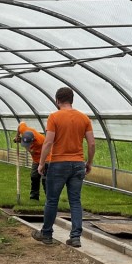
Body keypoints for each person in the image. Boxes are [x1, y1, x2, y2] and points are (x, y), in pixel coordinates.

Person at [33, 87, 95, 248]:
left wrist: (41, 163)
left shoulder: (54, 117)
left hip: (58, 164)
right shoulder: (84, 118)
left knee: (52, 200)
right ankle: (75, 237)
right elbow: (92, 143)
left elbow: (48, 142)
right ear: (72, 99)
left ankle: (46, 234)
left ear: (57, 100)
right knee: (75, 201)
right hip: (78, 164)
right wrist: (89, 163)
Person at [13, 121, 48, 200]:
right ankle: (34, 196)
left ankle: (49, 197)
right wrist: (17, 136)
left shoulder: (39, 142)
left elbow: (31, 151)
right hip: (36, 159)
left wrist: (22, 143)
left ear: (32, 140)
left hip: (46, 157)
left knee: (45, 178)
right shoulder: (24, 129)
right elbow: (20, 124)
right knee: (34, 176)